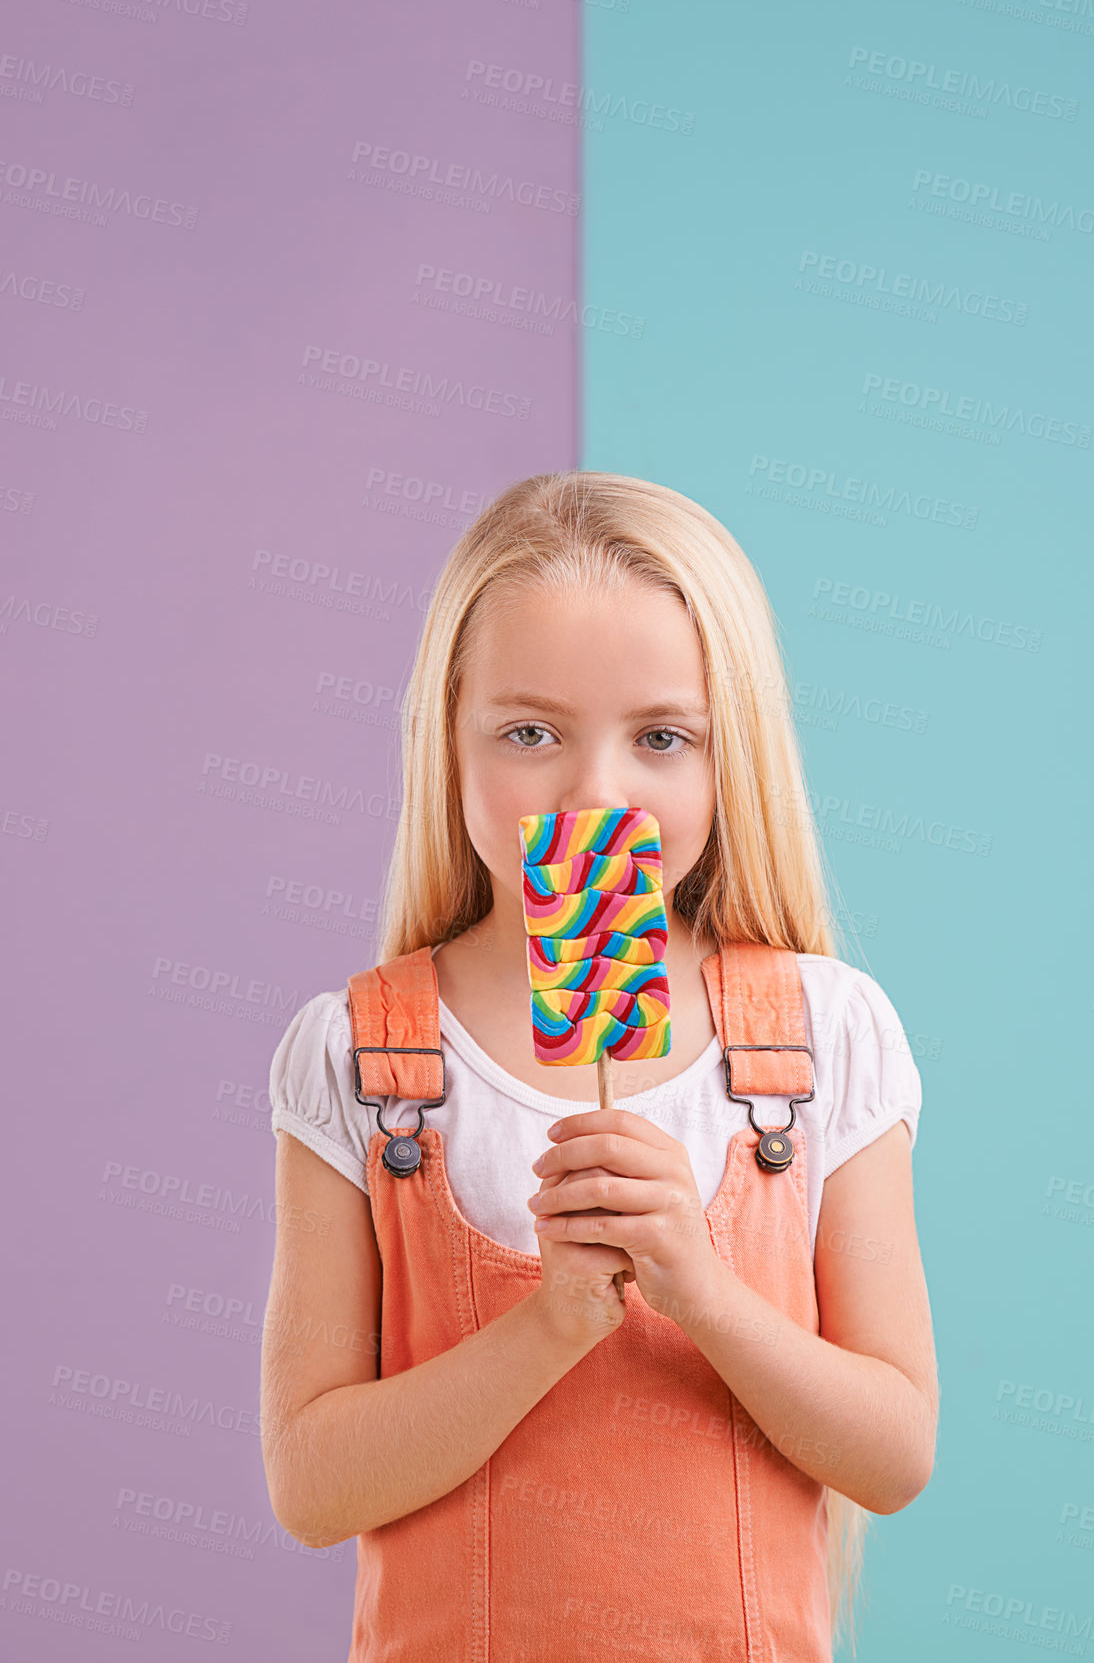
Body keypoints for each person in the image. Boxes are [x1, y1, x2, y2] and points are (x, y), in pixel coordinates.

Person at [260, 470, 938, 1662]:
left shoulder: (825, 1035)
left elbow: (893, 1454)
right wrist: (556, 1318)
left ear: (734, 759)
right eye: (531, 733)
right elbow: (311, 1486)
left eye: (662, 738)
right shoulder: (359, 1059)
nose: (596, 793)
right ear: (448, 738)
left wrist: (703, 1288)